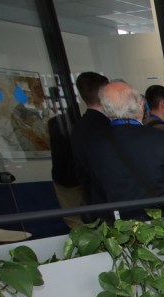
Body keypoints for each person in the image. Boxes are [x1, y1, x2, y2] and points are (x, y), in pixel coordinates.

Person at [84, 81, 164, 211]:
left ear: (105, 109)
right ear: (141, 106)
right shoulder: (158, 138)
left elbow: (96, 189)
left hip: (121, 224)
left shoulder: (95, 143)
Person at [69, 71, 111, 207]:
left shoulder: (80, 125)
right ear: (103, 94)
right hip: (106, 198)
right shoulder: (103, 126)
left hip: (93, 196)